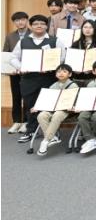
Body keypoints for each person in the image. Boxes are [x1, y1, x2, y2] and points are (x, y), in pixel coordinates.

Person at [10, 15, 67, 143]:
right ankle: (30, 131)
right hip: (28, 79)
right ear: (31, 26)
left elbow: (62, 58)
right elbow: (13, 58)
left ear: (47, 26)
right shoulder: (23, 41)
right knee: (30, 105)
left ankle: (53, 132)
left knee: (49, 105)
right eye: (36, 24)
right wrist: (21, 67)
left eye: (42, 23)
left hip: (49, 79)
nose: (39, 26)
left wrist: (52, 66)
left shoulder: (55, 40)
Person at [35, 64, 79, 156]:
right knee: (41, 115)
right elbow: (48, 100)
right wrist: (37, 107)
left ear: (70, 74)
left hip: (66, 110)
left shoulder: (73, 85)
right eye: (58, 72)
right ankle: (53, 138)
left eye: (64, 71)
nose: (61, 73)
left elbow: (76, 100)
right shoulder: (53, 85)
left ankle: (46, 141)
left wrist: (73, 106)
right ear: (55, 74)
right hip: (52, 109)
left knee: (57, 115)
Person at [3, 11, 30, 134]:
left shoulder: (33, 34)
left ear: (27, 20)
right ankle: (17, 121)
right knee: (16, 96)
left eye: (23, 19)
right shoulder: (10, 36)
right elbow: (6, 53)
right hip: (14, 72)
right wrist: (8, 70)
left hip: (29, 71)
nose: (20, 22)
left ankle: (26, 122)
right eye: (17, 20)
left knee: (27, 97)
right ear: (14, 22)